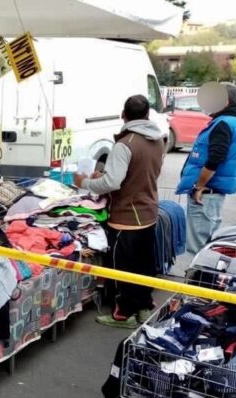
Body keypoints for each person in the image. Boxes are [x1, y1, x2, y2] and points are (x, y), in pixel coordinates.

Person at [74, 95, 166, 328]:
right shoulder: (158, 140)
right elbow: (138, 173)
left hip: (126, 217)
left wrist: (85, 183)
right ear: (147, 115)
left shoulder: (124, 144)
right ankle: (144, 307)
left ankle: (123, 314)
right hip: (148, 212)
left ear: (123, 114)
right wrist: (105, 176)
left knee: (122, 268)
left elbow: (113, 183)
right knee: (144, 266)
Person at [176, 82, 236, 254]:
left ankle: (195, 280)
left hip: (206, 195)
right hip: (213, 194)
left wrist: (199, 186)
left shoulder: (223, 124)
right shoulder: (235, 122)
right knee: (207, 243)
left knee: (197, 248)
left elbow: (215, 158)